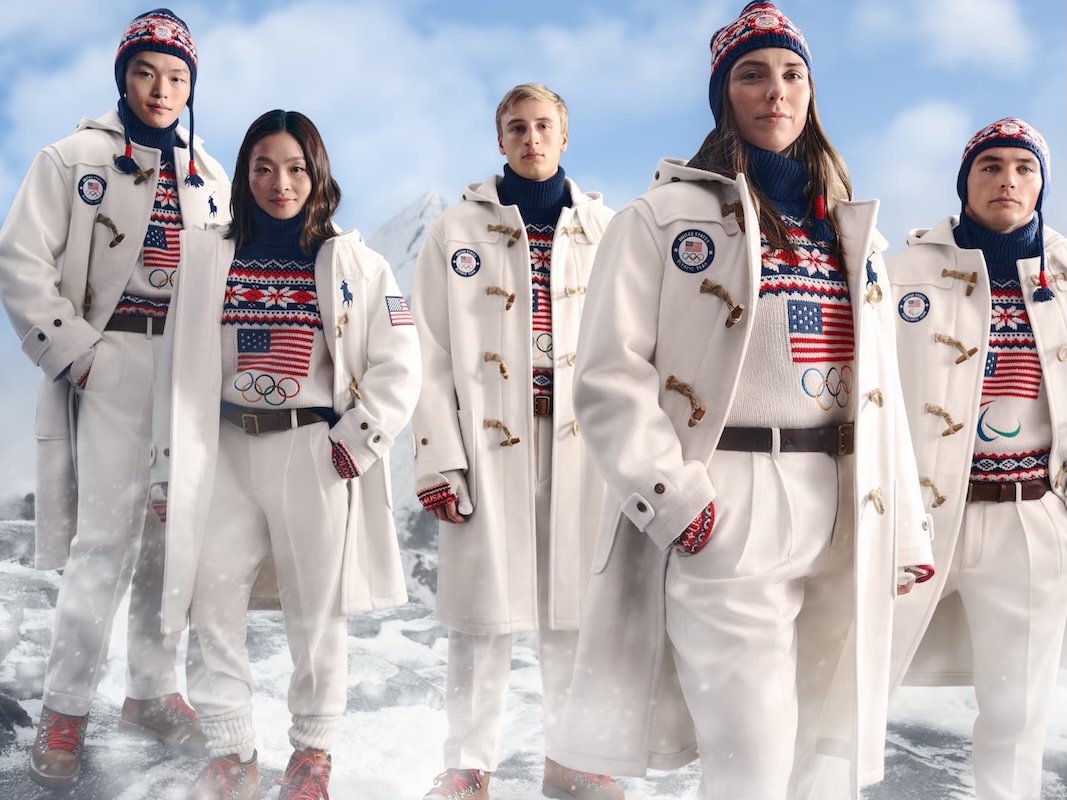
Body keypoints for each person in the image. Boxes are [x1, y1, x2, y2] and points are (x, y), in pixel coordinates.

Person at [547, 3, 937, 799]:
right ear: (723, 93)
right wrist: (677, 500)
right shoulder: (658, 220)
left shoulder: (852, 235)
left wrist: (902, 525)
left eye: (792, 73)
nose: (775, 91)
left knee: (818, 766)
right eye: (752, 74)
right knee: (749, 766)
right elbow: (607, 373)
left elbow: (882, 393)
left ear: (812, 92)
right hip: (729, 498)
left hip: (839, 502)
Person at [149, 109, 421, 799]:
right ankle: (231, 747)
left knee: (314, 610)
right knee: (211, 599)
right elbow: (174, 369)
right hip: (223, 446)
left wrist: (352, 445)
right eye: (264, 167)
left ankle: (313, 754)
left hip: (311, 448)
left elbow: (401, 363)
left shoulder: (358, 261)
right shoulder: (207, 254)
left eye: (296, 167)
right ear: (243, 173)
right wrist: (166, 465)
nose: (280, 182)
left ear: (317, 173)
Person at [0, 8, 229, 787]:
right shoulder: (69, 158)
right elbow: (21, 261)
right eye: (146, 72)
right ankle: (65, 711)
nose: (161, 89)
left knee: (175, 543)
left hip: (190, 371)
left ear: (191, 86)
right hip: (114, 358)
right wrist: (80, 356)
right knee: (105, 543)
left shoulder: (211, 174)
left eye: (177, 77)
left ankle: (149, 693)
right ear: (122, 77)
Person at [411, 83, 622, 800]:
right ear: (498, 140)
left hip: (582, 443)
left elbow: (634, 345)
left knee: (575, 613)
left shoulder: (606, 230)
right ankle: (467, 764)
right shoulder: (454, 231)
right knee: (482, 618)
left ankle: (570, 755)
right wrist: (439, 457)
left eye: (543, 127)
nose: (530, 139)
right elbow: (430, 353)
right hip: (486, 441)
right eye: (516, 128)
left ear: (564, 137)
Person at [886, 117, 1067, 800]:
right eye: (989, 166)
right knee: (851, 680)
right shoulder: (902, 271)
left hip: (1028, 517)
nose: (1006, 180)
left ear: (1041, 182)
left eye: (1023, 167)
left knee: (1016, 711)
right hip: (917, 516)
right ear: (964, 181)